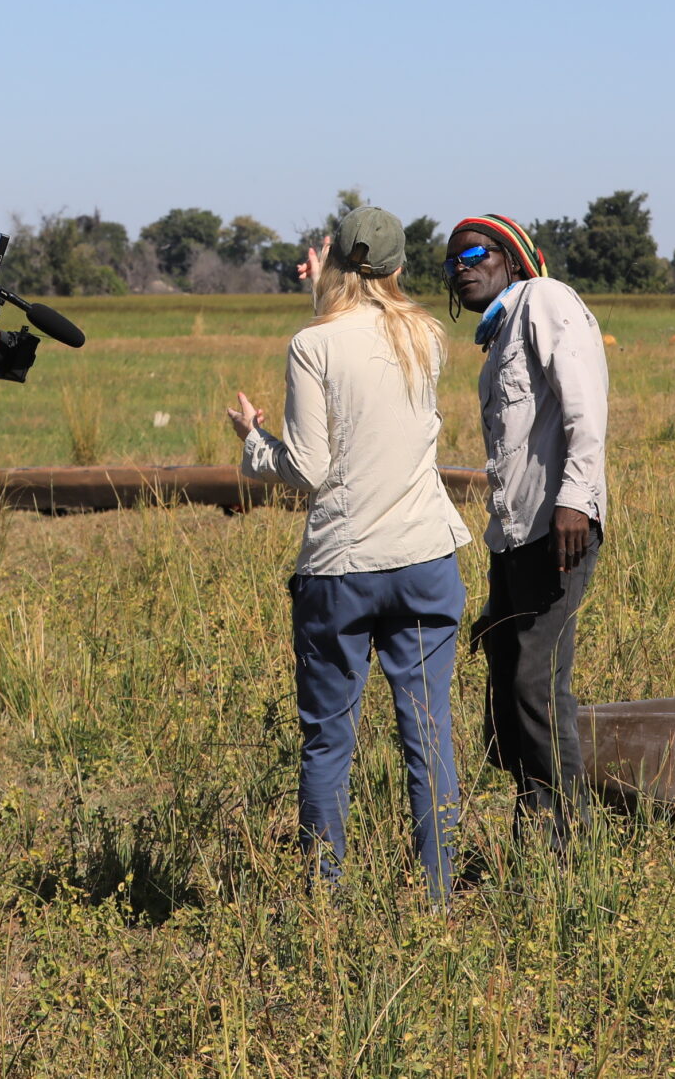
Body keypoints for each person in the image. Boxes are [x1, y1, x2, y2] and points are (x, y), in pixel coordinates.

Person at [228, 207, 469, 897]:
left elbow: (308, 466)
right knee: (428, 730)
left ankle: (325, 896)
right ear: (399, 266)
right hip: (425, 558)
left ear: (333, 263)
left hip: (341, 566)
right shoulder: (427, 335)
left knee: (329, 738)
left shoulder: (312, 344)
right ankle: (439, 893)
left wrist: (253, 440)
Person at [446, 215, 608, 851]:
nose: (462, 270)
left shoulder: (544, 299)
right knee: (509, 691)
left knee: (535, 685)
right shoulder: (498, 339)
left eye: (475, 255)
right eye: (453, 263)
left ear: (511, 259)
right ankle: (534, 836)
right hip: (514, 538)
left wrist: (576, 499)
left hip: (558, 528)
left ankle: (572, 842)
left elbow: (584, 407)